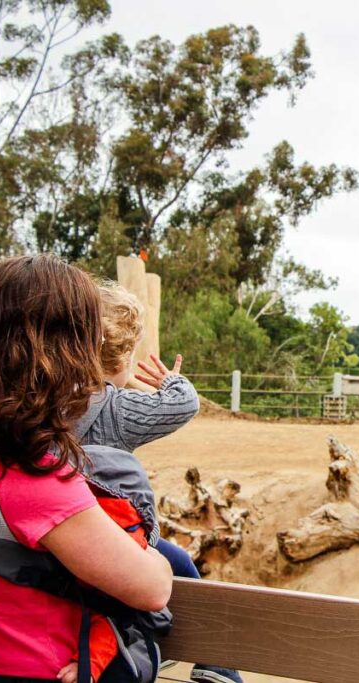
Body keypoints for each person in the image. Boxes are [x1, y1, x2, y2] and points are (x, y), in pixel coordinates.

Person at [0, 254, 173, 682]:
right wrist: (160, 560)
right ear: (59, 354)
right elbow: (151, 587)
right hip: (44, 670)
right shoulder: (33, 476)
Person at [72, 282, 242, 683]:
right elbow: (184, 404)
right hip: (111, 540)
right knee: (179, 562)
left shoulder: (46, 401)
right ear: (125, 354)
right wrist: (172, 381)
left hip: (56, 535)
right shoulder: (114, 408)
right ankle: (217, 666)